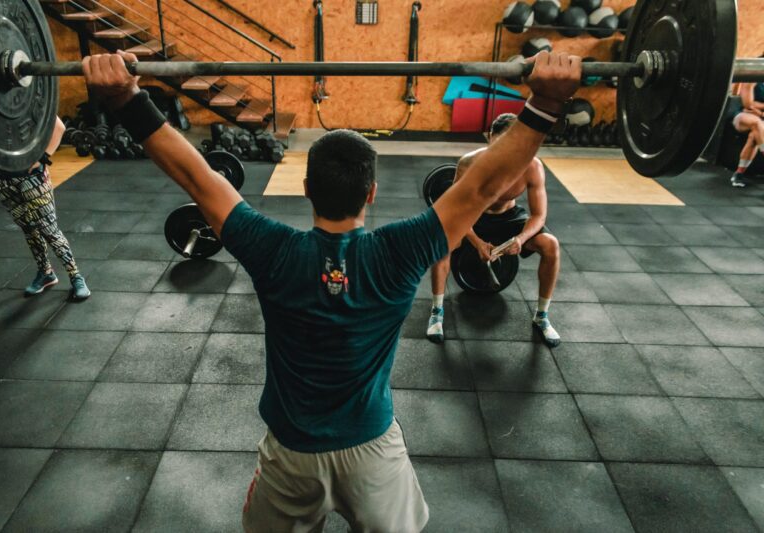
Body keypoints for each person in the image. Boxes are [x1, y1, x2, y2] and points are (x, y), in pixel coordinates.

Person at [82, 50, 581, 532]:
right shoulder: (400, 251)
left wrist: (127, 99)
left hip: (292, 455)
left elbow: (198, 176)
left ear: (306, 189)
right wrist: (544, 106)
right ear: (372, 192)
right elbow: (480, 189)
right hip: (373, 452)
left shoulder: (271, 250)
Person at [426, 113, 561, 348]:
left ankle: (542, 316)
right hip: (473, 216)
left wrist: (520, 239)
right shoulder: (469, 162)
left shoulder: (532, 166)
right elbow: (455, 209)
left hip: (510, 219)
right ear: (489, 138)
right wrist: (476, 241)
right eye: (499, 145)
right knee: (443, 242)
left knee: (550, 245)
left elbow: (539, 215)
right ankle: (437, 312)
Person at [0, 117, 90, 300]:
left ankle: (76, 276)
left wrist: (42, 158)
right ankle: (46, 273)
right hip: (2, 179)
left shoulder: (27, 98)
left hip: (32, 177)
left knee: (49, 229)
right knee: (28, 228)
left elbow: (58, 127)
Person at [730, 73, 764, 188]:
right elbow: (748, 104)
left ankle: (739, 174)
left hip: (760, 117)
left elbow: (753, 105)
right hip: (744, 116)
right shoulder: (753, 75)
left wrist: (760, 110)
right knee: (757, 123)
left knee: (754, 137)